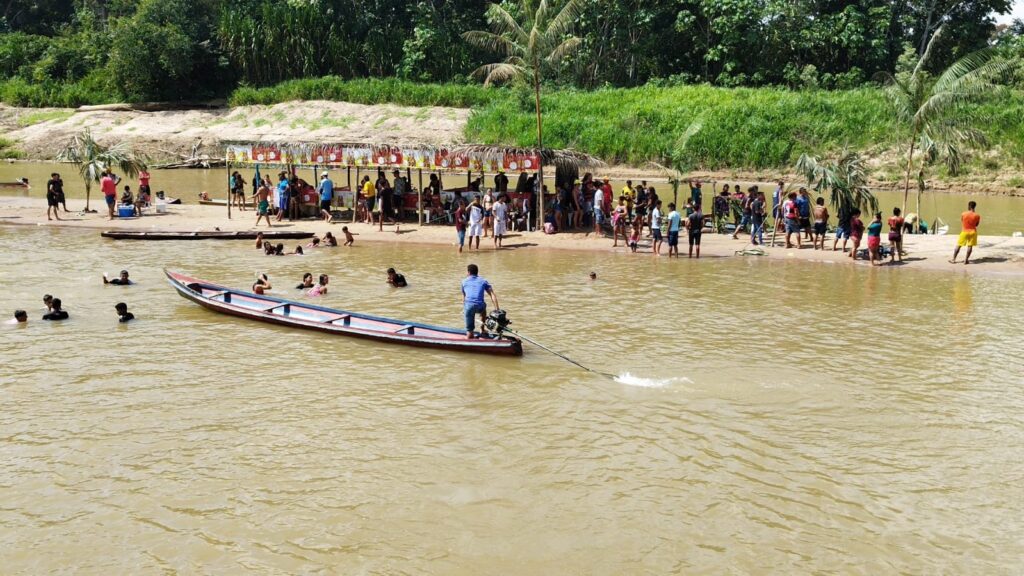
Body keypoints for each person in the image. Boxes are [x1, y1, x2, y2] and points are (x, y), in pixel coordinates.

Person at [461, 264, 499, 338]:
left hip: (469, 307)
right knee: (483, 309)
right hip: (480, 306)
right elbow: (492, 295)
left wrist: (465, 310)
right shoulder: (483, 281)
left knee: (469, 335)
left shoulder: (463, 281)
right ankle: (482, 329)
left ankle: (469, 334)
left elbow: (464, 298)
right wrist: (497, 309)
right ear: (477, 272)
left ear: (468, 272)